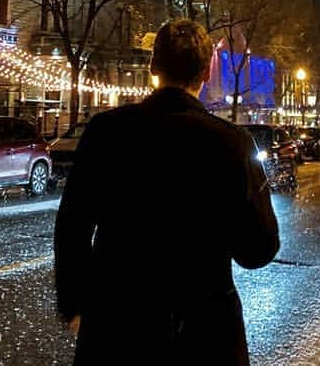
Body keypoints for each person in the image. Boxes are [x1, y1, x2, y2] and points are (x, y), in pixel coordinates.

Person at [54, 19, 280, 365]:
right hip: (203, 332)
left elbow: (72, 226)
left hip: (117, 326)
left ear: (153, 66)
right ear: (206, 73)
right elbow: (258, 249)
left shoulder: (107, 132)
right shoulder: (232, 143)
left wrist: (75, 305)